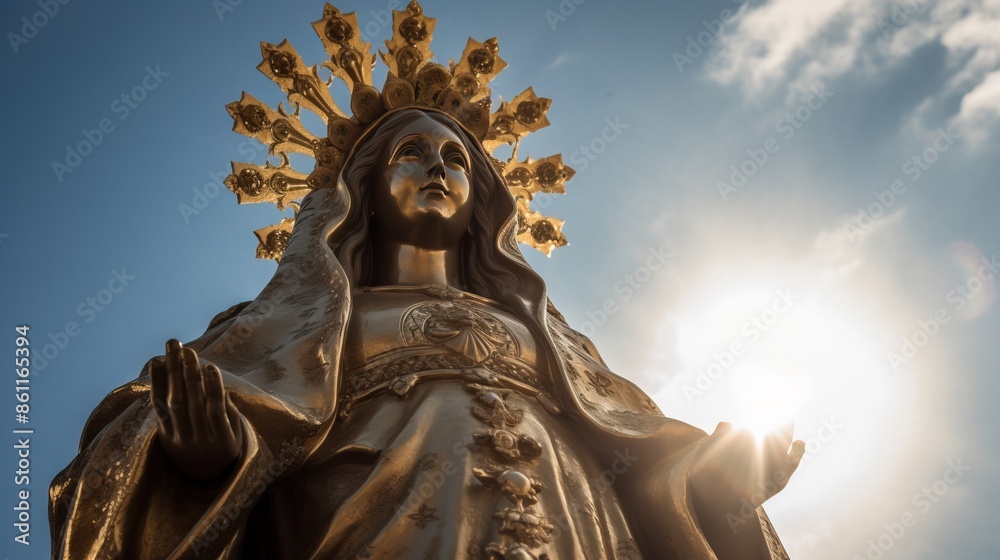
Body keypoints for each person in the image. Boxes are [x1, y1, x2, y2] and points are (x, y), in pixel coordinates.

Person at [50, 106, 803, 559]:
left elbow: (637, 459)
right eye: (409, 153)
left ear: (481, 199)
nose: (436, 167)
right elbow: (165, 431)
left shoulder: (544, 333)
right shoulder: (305, 316)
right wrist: (207, 457)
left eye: (455, 158)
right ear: (366, 191)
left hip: (574, 525)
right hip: (371, 524)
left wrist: (709, 487)